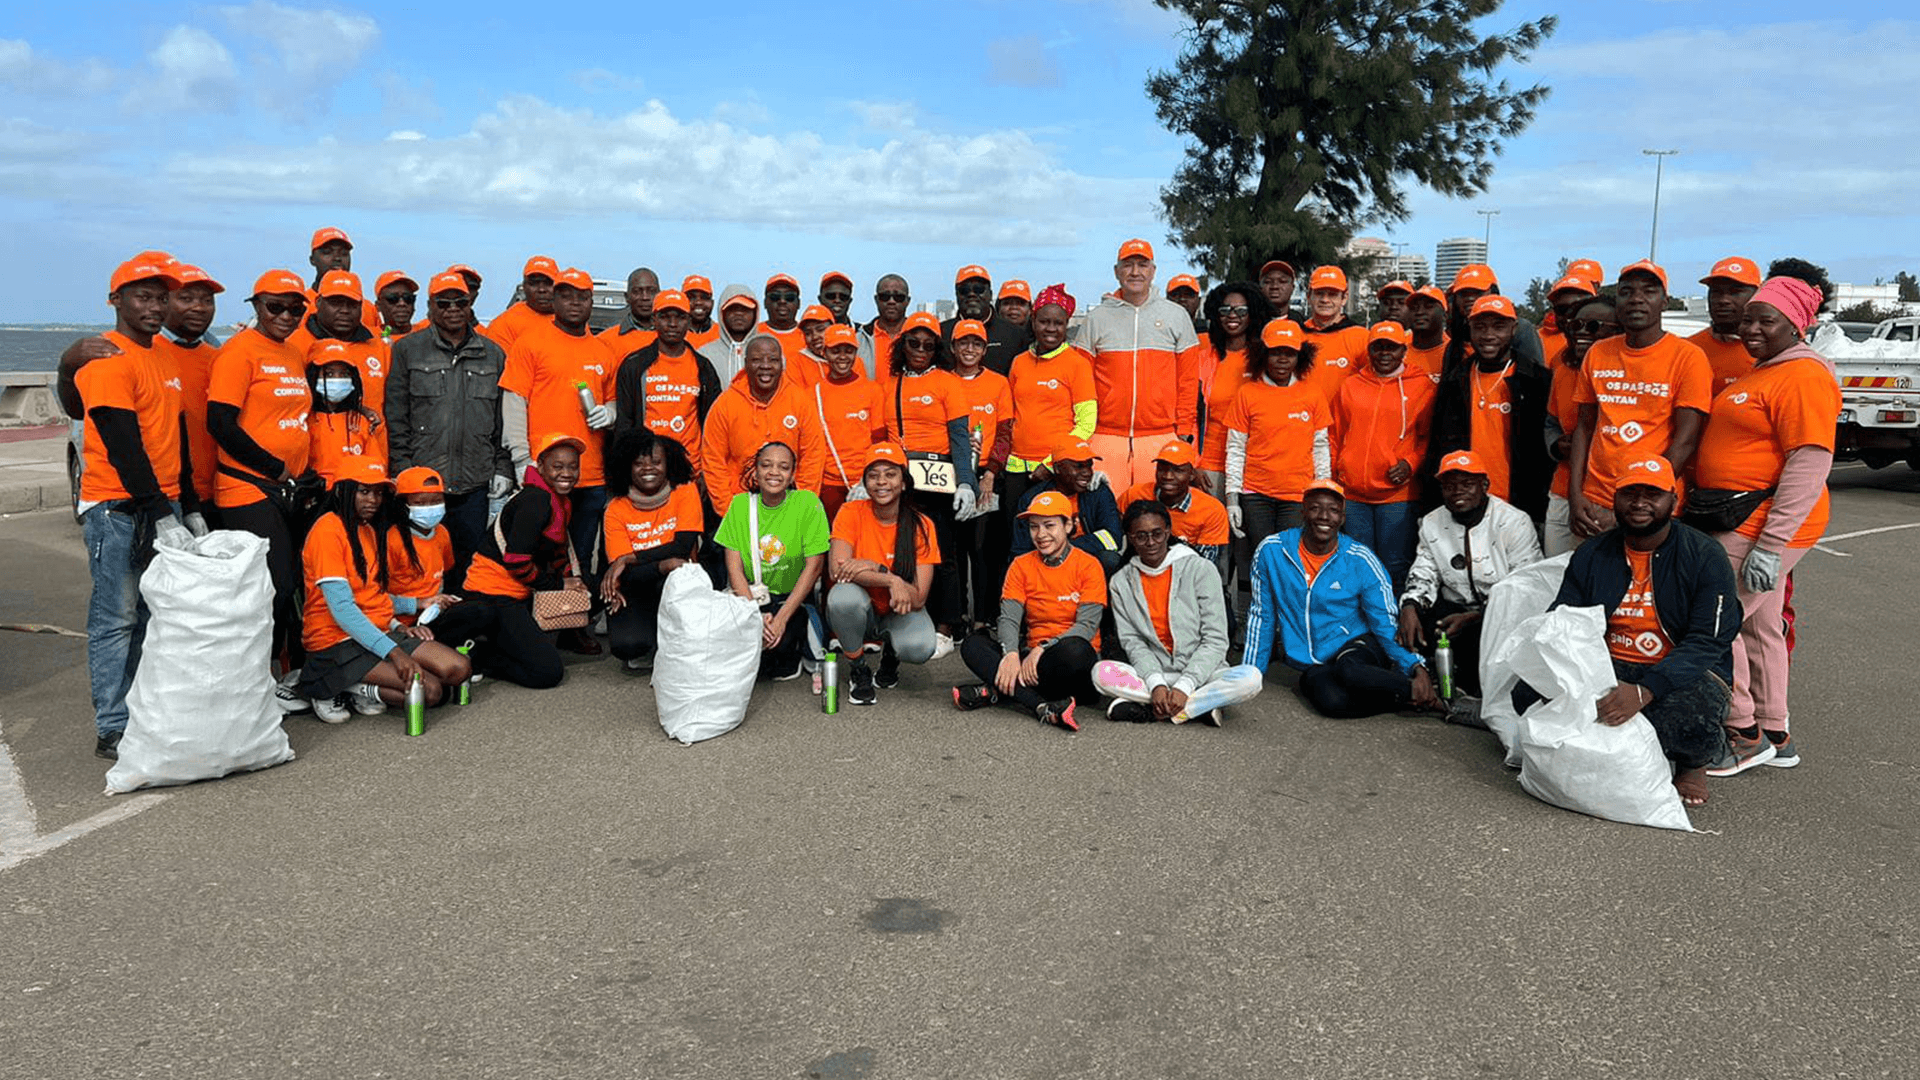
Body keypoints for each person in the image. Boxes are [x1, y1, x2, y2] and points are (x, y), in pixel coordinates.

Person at [1524, 454, 1741, 808]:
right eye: (1630, 493)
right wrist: (1577, 679)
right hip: (1609, 666)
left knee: (1696, 712)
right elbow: (1565, 620)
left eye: (1652, 494)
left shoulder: (1705, 555)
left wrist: (1645, 691)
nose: (1640, 503)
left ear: (1673, 499)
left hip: (1676, 671)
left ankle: (1693, 762)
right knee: (1529, 691)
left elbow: (1708, 642)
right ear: (1615, 498)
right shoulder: (1592, 554)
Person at [1695, 276, 1841, 775]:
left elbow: (1809, 461)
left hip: (1762, 524)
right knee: (1760, 626)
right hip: (1746, 517)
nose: (1751, 327)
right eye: (1750, 317)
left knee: (1716, 619)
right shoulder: (1766, 369)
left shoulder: (1803, 376)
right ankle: (1774, 729)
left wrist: (1771, 545)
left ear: (1797, 326)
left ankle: (1742, 734)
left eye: (1767, 320)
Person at [75, 256, 200, 759]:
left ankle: (142, 712)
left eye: (160, 297)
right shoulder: (107, 358)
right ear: (116, 301)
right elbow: (122, 442)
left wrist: (186, 504)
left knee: (151, 616)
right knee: (116, 617)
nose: (154, 307)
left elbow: (178, 438)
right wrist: (156, 510)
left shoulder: (164, 358)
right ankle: (112, 724)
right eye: (142, 297)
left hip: (161, 501)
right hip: (119, 507)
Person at [1243, 480, 1441, 719]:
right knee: (1332, 702)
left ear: (1343, 518)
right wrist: (1250, 674)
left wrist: (1415, 665)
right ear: (1303, 511)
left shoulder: (1361, 559)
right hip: (1312, 661)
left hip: (1358, 643)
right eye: (1315, 508)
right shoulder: (1272, 551)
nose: (1324, 516)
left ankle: (1426, 694)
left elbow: (1384, 622)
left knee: (1350, 670)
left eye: (1333, 510)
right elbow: (1261, 615)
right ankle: (1409, 698)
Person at [297, 458, 471, 721]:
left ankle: (355, 682)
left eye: (378, 493)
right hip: (336, 639)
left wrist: (400, 622)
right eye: (364, 491)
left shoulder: (367, 529)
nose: (373, 500)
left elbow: (371, 596)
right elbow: (343, 609)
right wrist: (395, 652)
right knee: (431, 692)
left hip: (377, 629)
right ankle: (344, 686)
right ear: (343, 490)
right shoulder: (327, 530)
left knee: (459, 668)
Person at [500, 267, 619, 652]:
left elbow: (615, 397)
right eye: (566, 295)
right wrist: (521, 457)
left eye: (582, 296)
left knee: (581, 554)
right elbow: (514, 401)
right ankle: (537, 625)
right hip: (543, 473)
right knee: (538, 553)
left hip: (591, 472)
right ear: (554, 299)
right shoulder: (531, 342)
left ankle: (572, 621)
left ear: (590, 301)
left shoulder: (603, 350)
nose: (574, 302)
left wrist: (612, 412)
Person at [209, 269, 319, 683]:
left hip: (288, 487)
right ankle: (256, 677)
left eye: (295, 308)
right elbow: (220, 423)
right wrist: (275, 468)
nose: (286, 316)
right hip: (247, 486)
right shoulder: (239, 352)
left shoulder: (292, 353)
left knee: (293, 584)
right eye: (276, 307)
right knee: (273, 586)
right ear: (256, 306)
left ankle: (290, 672)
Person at [386, 270, 514, 591]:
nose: (453, 309)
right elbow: (396, 415)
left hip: (474, 485)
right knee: (418, 568)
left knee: (467, 570)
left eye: (461, 302)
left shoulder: (493, 354)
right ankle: (419, 633)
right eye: (444, 303)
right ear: (430, 307)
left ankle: (459, 638)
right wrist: (403, 470)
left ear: (470, 304)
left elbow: (502, 421)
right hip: (424, 485)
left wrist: (503, 468)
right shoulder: (408, 351)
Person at [1567, 261, 1713, 540]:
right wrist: (1575, 495)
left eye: (1649, 291)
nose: (1637, 299)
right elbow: (1584, 428)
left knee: (1647, 582)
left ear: (1664, 302)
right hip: (1595, 500)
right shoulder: (1598, 352)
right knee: (1593, 581)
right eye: (1627, 292)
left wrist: (1638, 501)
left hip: (1651, 506)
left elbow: (1686, 440)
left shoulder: (1688, 357)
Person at [431, 433, 581, 690]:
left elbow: (556, 552)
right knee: (547, 673)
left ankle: (493, 641)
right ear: (541, 466)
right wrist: (559, 584)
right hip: (493, 593)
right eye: (557, 466)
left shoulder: (559, 501)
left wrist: (571, 579)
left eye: (573, 466)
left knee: (591, 585)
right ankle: (477, 655)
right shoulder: (535, 501)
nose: (566, 473)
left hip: (521, 592)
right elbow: (517, 563)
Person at [953, 490, 1108, 731]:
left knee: (1076, 651)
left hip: (1067, 661)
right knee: (973, 644)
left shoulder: (1089, 565)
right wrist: (1011, 654)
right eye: (1034, 527)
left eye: (1049, 526)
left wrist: (1044, 648)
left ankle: (999, 691)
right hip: (1029, 661)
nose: (1041, 534)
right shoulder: (1021, 564)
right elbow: (1009, 619)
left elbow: (1086, 627)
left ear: (1068, 526)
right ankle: (1040, 706)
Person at [1095, 500, 1260, 724]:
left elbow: (1215, 639)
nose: (1151, 542)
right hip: (1156, 672)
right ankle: (1198, 706)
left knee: (1250, 678)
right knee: (1101, 673)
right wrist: (1156, 684)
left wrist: (1185, 685)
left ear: (1168, 532)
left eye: (1157, 534)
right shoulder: (1121, 581)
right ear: (1130, 538)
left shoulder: (1200, 569)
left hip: (1203, 672)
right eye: (1141, 536)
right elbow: (1133, 642)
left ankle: (1157, 709)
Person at [1396, 451, 1541, 701]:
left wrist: (1477, 616)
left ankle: (1472, 685)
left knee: (1490, 639)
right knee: (1409, 625)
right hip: (1453, 608)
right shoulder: (1432, 521)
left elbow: (1527, 585)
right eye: (1450, 486)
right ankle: (1432, 677)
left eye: (1467, 484)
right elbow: (1424, 571)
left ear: (1484, 485)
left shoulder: (1513, 521)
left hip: (1498, 613)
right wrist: (1409, 606)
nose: (1458, 491)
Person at [880, 311, 977, 643]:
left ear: (937, 348)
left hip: (940, 478)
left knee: (944, 553)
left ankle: (948, 626)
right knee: (904, 549)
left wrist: (967, 482)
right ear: (902, 344)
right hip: (902, 480)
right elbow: (881, 437)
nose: (920, 349)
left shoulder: (948, 382)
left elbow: (961, 438)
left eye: (928, 344)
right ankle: (909, 616)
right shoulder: (891, 383)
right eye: (913, 342)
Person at [1077, 238, 1203, 487]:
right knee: (1107, 514)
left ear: (1153, 271)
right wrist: (1085, 432)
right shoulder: (1095, 318)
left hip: (1161, 435)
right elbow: (1081, 381)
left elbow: (1188, 381)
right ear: (1116, 271)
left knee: (1154, 516)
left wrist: (1184, 431)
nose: (1135, 272)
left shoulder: (1175, 316)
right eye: (1128, 265)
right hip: (1105, 435)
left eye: (1142, 265)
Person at [826, 444, 941, 705]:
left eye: (890, 474)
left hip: (897, 609)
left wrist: (873, 570)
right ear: (865, 482)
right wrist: (889, 578)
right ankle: (858, 668)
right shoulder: (850, 512)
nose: (881, 482)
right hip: (861, 608)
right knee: (841, 597)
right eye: (873, 475)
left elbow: (919, 597)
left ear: (903, 482)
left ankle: (891, 654)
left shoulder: (922, 525)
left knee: (921, 646)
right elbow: (837, 569)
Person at [1426, 294, 1552, 523]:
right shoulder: (1455, 380)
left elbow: (1543, 453)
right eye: (1480, 327)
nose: (1488, 335)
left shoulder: (1537, 381)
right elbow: (1438, 445)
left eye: (1499, 326)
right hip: (1465, 505)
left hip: (1521, 506)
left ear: (1514, 329)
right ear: (1469, 329)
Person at [1330, 321, 1435, 588]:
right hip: (1353, 494)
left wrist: (1410, 464)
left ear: (1404, 351)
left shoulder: (1421, 386)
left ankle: (1393, 627)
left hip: (1396, 496)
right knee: (1356, 566)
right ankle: (1360, 627)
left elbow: (1427, 438)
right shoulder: (1350, 385)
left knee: (1394, 566)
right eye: (1378, 347)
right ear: (1369, 350)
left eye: (1392, 348)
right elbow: (1334, 435)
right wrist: (1335, 477)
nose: (1385, 353)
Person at [715, 440, 830, 681]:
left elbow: (814, 567)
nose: (774, 472)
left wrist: (779, 620)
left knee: (778, 645)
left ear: (792, 474)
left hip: (791, 601)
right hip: (751, 599)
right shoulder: (739, 506)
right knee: (749, 650)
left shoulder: (807, 504)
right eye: (766, 465)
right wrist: (754, 616)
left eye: (783, 467)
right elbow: (733, 567)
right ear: (755, 471)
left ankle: (798, 640)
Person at [600, 430, 705, 673]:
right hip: (636, 587)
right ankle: (653, 640)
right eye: (639, 463)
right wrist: (662, 564)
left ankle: (673, 644)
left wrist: (630, 558)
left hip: (675, 584)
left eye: (656, 462)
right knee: (628, 646)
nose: (648, 468)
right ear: (627, 467)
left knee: (674, 575)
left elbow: (682, 546)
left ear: (668, 464)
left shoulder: (685, 491)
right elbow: (625, 575)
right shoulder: (615, 508)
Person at [1223, 319, 1331, 547]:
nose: (1282, 359)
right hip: (1255, 494)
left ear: (1300, 357)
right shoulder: (1247, 393)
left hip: (1297, 494)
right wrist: (1232, 498)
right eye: (1275, 353)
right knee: (1262, 556)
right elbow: (1235, 449)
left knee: (1290, 556)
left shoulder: (1313, 394)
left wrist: (1323, 490)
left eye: (1289, 353)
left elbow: (1320, 448)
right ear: (1263, 354)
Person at [701, 334, 827, 511]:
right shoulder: (725, 405)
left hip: (789, 505)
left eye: (773, 360)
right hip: (739, 506)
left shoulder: (801, 402)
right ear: (745, 363)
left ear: (782, 364)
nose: (765, 366)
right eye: (757, 360)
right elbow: (713, 460)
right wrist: (729, 510)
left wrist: (800, 506)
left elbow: (813, 456)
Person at [1003, 284, 1097, 520]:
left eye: (1059, 323)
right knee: (1011, 537)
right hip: (1015, 467)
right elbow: (1010, 415)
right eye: (1045, 322)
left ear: (1067, 325)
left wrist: (1050, 463)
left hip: (1053, 471)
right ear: (1033, 321)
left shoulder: (1077, 365)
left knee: (1048, 536)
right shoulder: (1019, 362)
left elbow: (1086, 423)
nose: (1051, 329)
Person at [610, 288, 723, 482]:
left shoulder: (703, 367)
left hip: (692, 472)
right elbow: (624, 424)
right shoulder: (635, 365)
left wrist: (707, 472)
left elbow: (714, 425)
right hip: (647, 471)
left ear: (688, 321)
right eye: (665, 317)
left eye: (679, 317)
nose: (672, 324)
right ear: (654, 320)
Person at [1542, 293, 1621, 556]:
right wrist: (1555, 444)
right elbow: (1551, 421)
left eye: (1594, 327)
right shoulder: (1562, 368)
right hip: (1564, 489)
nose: (1583, 332)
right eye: (1576, 325)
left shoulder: (1625, 371)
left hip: (1608, 496)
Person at [950, 319, 1015, 632]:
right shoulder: (943, 381)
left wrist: (991, 472)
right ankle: (958, 615)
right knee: (956, 549)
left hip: (987, 474)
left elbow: (1004, 432)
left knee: (982, 550)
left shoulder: (998, 383)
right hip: (951, 474)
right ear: (953, 347)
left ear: (984, 349)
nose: (969, 349)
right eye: (964, 342)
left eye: (976, 343)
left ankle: (983, 617)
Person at [152, 263, 225, 522]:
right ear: (164, 302)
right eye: (186, 298)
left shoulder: (220, 358)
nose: (199, 307)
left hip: (216, 496)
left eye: (207, 300)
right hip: (164, 499)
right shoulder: (146, 352)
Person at [290, 270, 391, 431]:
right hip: (315, 450)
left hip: (374, 452)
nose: (344, 310)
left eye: (352, 304)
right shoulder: (293, 345)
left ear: (361, 306)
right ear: (318, 302)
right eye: (335, 302)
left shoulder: (380, 347)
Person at [1010, 436, 1124, 574]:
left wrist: (1063, 549)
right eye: (1078, 466)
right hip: (1046, 565)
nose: (1087, 472)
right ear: (1057, 468)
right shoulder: (1033, 498)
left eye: (1089, 465)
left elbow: (1113, 538)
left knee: (1110, 559)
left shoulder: (1098, 491)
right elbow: (1021, 550)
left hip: (1087, 562)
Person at [1196, 283, 1271, 490]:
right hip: (1209, 465)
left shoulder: (1264, 361)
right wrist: (1194, 462)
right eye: (1225, 310)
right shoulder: (1203, 359)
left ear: (1252, 314)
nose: (1232, 315)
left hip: (1253, 466)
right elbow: (1188, 415)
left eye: (1241, 310)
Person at [810, 324, 885, 521]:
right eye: (836, 351)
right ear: (824, 352)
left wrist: (866, 480)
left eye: (848, 351)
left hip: (867, 483)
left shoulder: (873, 390)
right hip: (829, 485)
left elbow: (879, 441)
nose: (842, 357)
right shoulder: (813, 393)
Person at [1117, 439, 1229, 567]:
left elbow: (1204, 564)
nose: (1168, 476)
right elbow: (1116, 534)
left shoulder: (1212, 509)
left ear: (1192, 475)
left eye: (1178, 470)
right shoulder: (1134, 495)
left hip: (1186, 575)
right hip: (1136, 567)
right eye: (1162, 469)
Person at [386, 466, 458, 627]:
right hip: (398, 621)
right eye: (420, 503)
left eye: (436, 501)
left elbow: (445, 572)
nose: (429, 508)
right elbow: (374, 595)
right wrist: (419, 603)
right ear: (404, 505)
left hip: (434, 614)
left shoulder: (442, 532)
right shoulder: (392, 539)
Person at [306, 341, 384, 482]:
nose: (337, 380)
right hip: (316, 493)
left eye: (344, 374)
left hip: (354, 492)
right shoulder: (306, 420)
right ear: (314, 376)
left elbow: (375, 464)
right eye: (329, 374)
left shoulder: (360, 421)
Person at [1689, 257, 1763, 396]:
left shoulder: (1773, 353)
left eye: (1735, 292)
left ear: (1757, 295)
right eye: (1716, 292)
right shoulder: (1689, 350)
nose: (1723, 300)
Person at [940, 265, 1033, 375]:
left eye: (979, 289)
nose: (971, 294)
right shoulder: (941, 333)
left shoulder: (1016, 335)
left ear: (990, 294)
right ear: (956, 295)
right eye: (964, 290)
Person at [1299, 266, 1370, 401]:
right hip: (1302, 420)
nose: (1325, 300)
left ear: (1344, 298)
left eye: (1332, 294)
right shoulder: (1296, 335)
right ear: (1309, 296)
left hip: (1343, 421)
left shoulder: (1361, 337)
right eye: (1319, 293)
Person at [304, 227, 381, 335]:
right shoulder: (300, 305)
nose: (337, 258)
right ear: (312, 260)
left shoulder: (367, 308)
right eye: (327, 252)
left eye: (344, 253)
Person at [486, 255, 560, 355]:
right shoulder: (504, 325)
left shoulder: (575, 320)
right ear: (524, 287)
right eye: (534, 283)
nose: (541, 289)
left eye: (548, 283)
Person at [696, 284, 759, 385]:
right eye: (732, 308)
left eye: (745, 309)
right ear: (722, 313)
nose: (739, 313)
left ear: (755, 313)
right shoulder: (705, 354)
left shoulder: (769, 353)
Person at [598, 267, 660, 354]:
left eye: (651, 291)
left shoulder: (677, 339)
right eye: (637, 291)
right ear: (627, 297)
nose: (645, 297)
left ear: (660, 295)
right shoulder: (606, 341)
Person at [861, 274, 911, 373]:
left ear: (908, 301)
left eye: (898, 297)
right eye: (885, 296)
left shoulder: (919, 340)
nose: (891, 301)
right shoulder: (859, 340)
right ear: (876, 299)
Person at [756, 273, 807, 362]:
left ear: (798, 303)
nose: (782, 301)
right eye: (775, 297)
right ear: (765, 303)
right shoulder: (753, 334)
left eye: (789, 297)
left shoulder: (809, 336)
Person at [788, 304, 838, 386]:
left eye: (820, 329)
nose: (814, 337)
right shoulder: (796, 362)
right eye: (808, 333)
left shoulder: (849, 358)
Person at [1403, 285, 1449, 375]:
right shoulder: (1398, 354)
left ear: (1444, 315)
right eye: (1414, 308)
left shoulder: (1455, 353)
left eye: (1428, 306)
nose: (1420, 312)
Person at [373, 271, 418, 343]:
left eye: (408, 298)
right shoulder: (367, 338)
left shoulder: (430, 332)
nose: (402, 303)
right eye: (393, 298)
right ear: (378, 306)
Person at [683, 274, 720, 350]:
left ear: (712, 303)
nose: (698, 302)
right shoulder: (670, 334)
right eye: (691, 297)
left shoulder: (723, 335)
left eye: (704, 297)